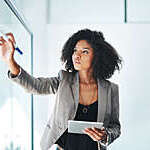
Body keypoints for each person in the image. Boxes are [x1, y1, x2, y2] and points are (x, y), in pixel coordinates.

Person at [0, 29, 123, 150]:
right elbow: (35, 85)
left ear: (97, 56)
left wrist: (106, 135)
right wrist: (10, 61)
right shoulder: (64, 79)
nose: (77, 55)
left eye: (84, 51)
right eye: (75, 50)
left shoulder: (110, 89)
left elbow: (115, 127)